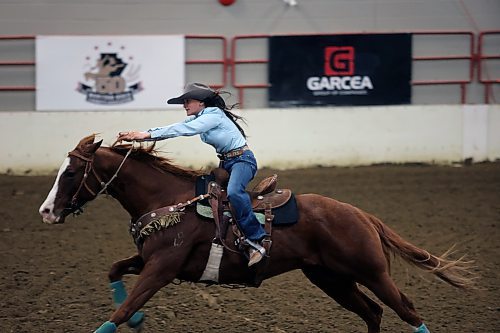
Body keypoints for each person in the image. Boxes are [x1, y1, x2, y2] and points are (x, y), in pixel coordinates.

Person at [117, 83, 267, 266]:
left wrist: (143, 136)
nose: (184, 105)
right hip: (227, 162)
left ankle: (256, 239)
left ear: (201, 103)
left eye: (188, 101)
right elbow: (176, 127)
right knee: (210, 197)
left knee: (235, 192)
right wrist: (142, 135)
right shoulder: (203, 116)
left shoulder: (212, 116)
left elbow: (182, 130)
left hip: (243, 161)